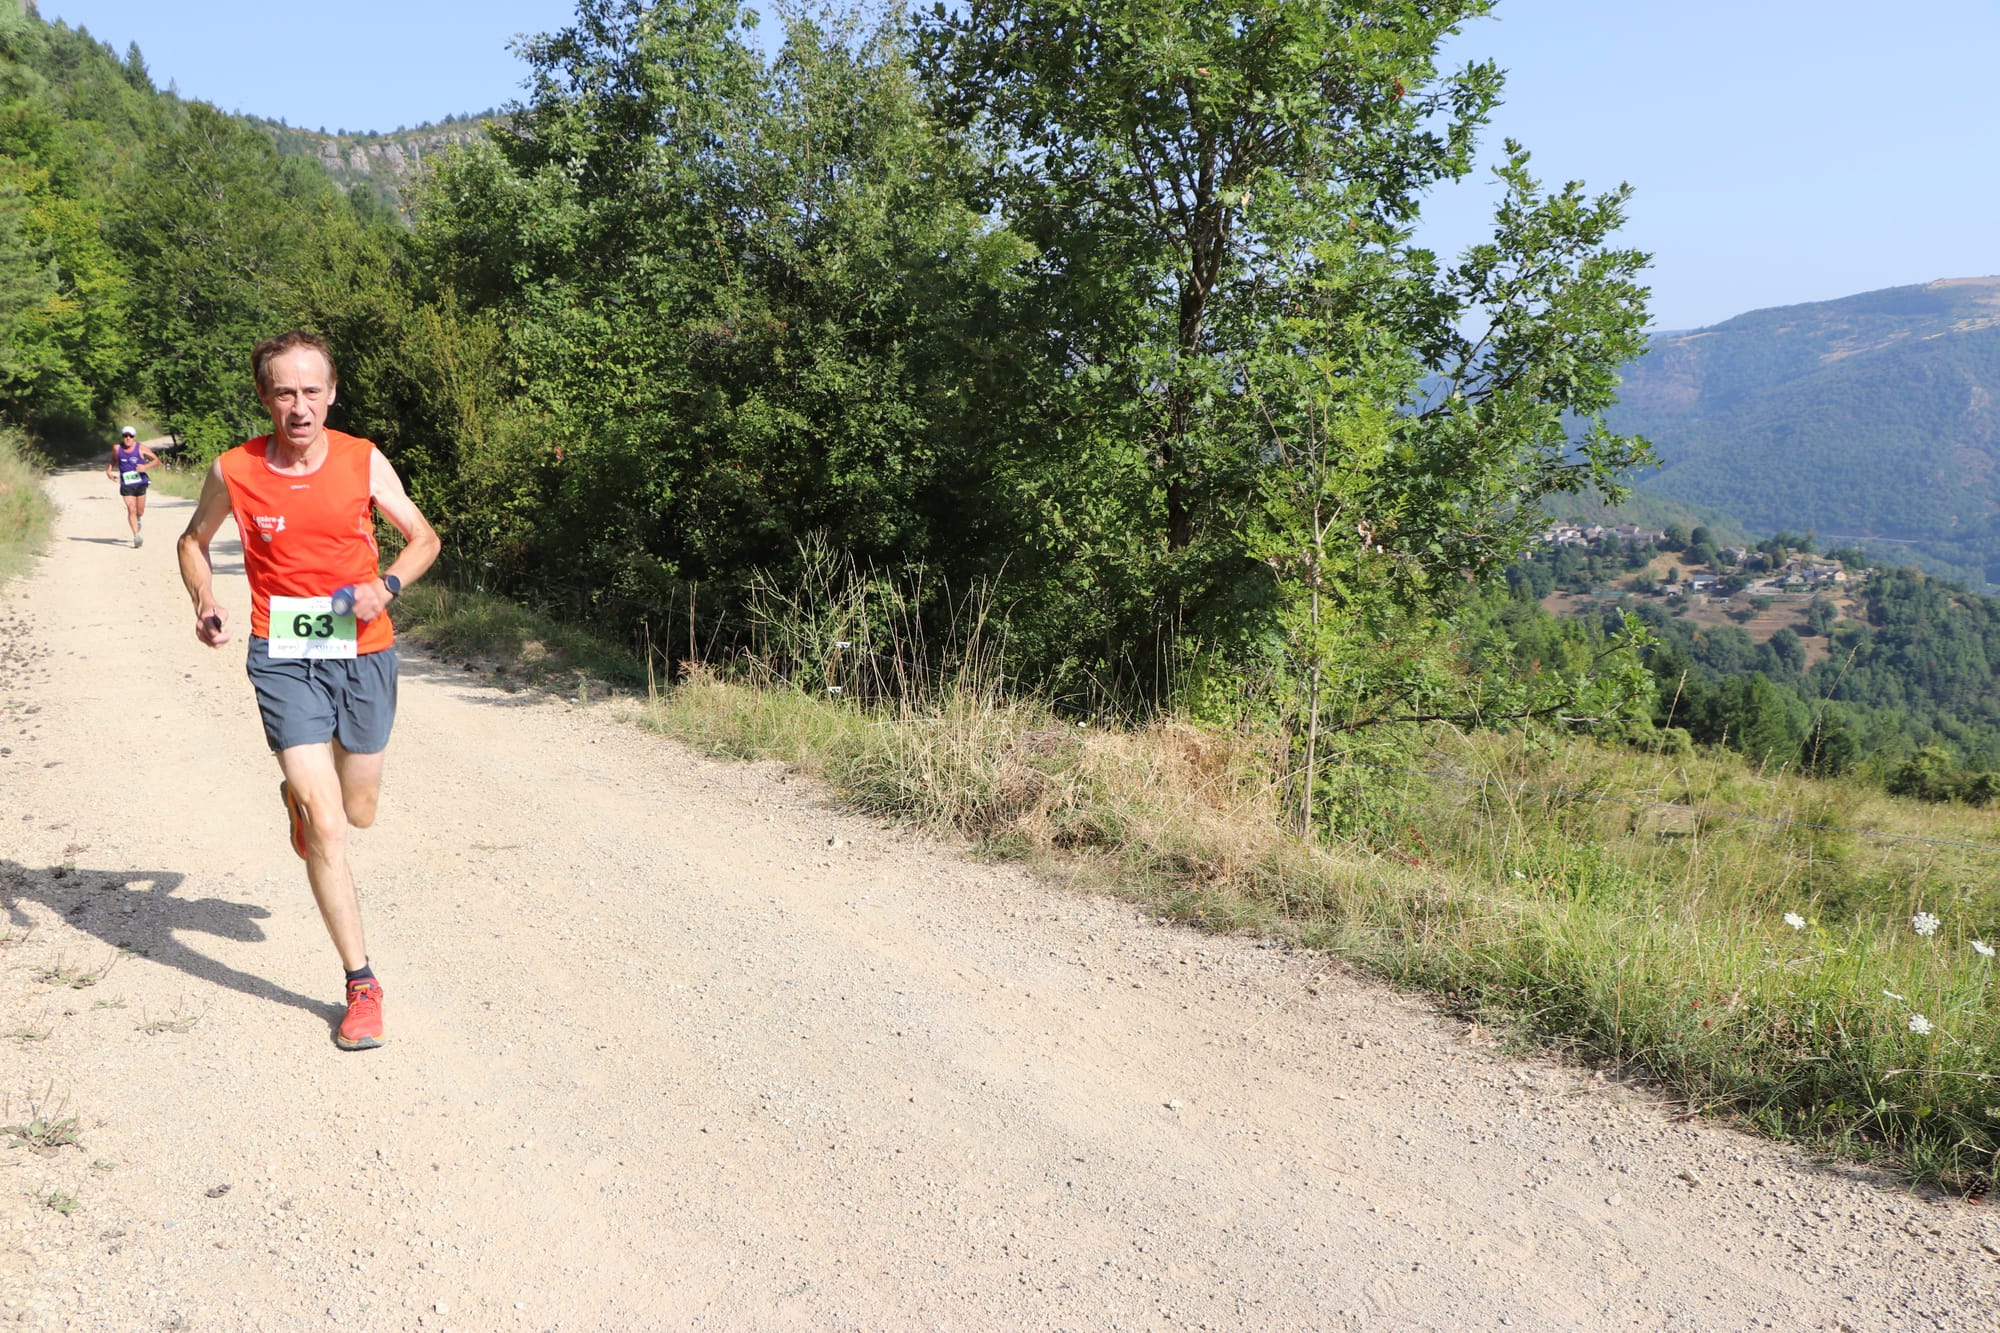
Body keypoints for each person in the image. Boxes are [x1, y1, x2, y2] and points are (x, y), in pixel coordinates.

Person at [176, 330, 440, 1051]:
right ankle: (361, 983)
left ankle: (303, 798)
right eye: (285, 392)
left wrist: (385, 586)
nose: (300, 406)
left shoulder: (362, 458)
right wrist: (206, 600)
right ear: (265, 396)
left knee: (359, 811)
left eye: (312, 391)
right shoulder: (236, 469)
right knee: (328, 827)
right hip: (284, 652)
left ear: (332, 394)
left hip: (364, 650)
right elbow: (193, 542)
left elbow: (424, 538)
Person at [105, 426, 159, 547]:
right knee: (131, 508)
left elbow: (156, 460)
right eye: (125, 436)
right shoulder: (117, 448)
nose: (128, 438)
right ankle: (136, 536)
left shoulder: (141, 448)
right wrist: (108, 470)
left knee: (139, 511)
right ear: (122, 437)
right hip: (126, 483)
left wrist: (145, 467)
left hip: (140, 482)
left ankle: (138, 519)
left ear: (134, 437)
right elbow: (114, 459)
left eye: (130, 436)